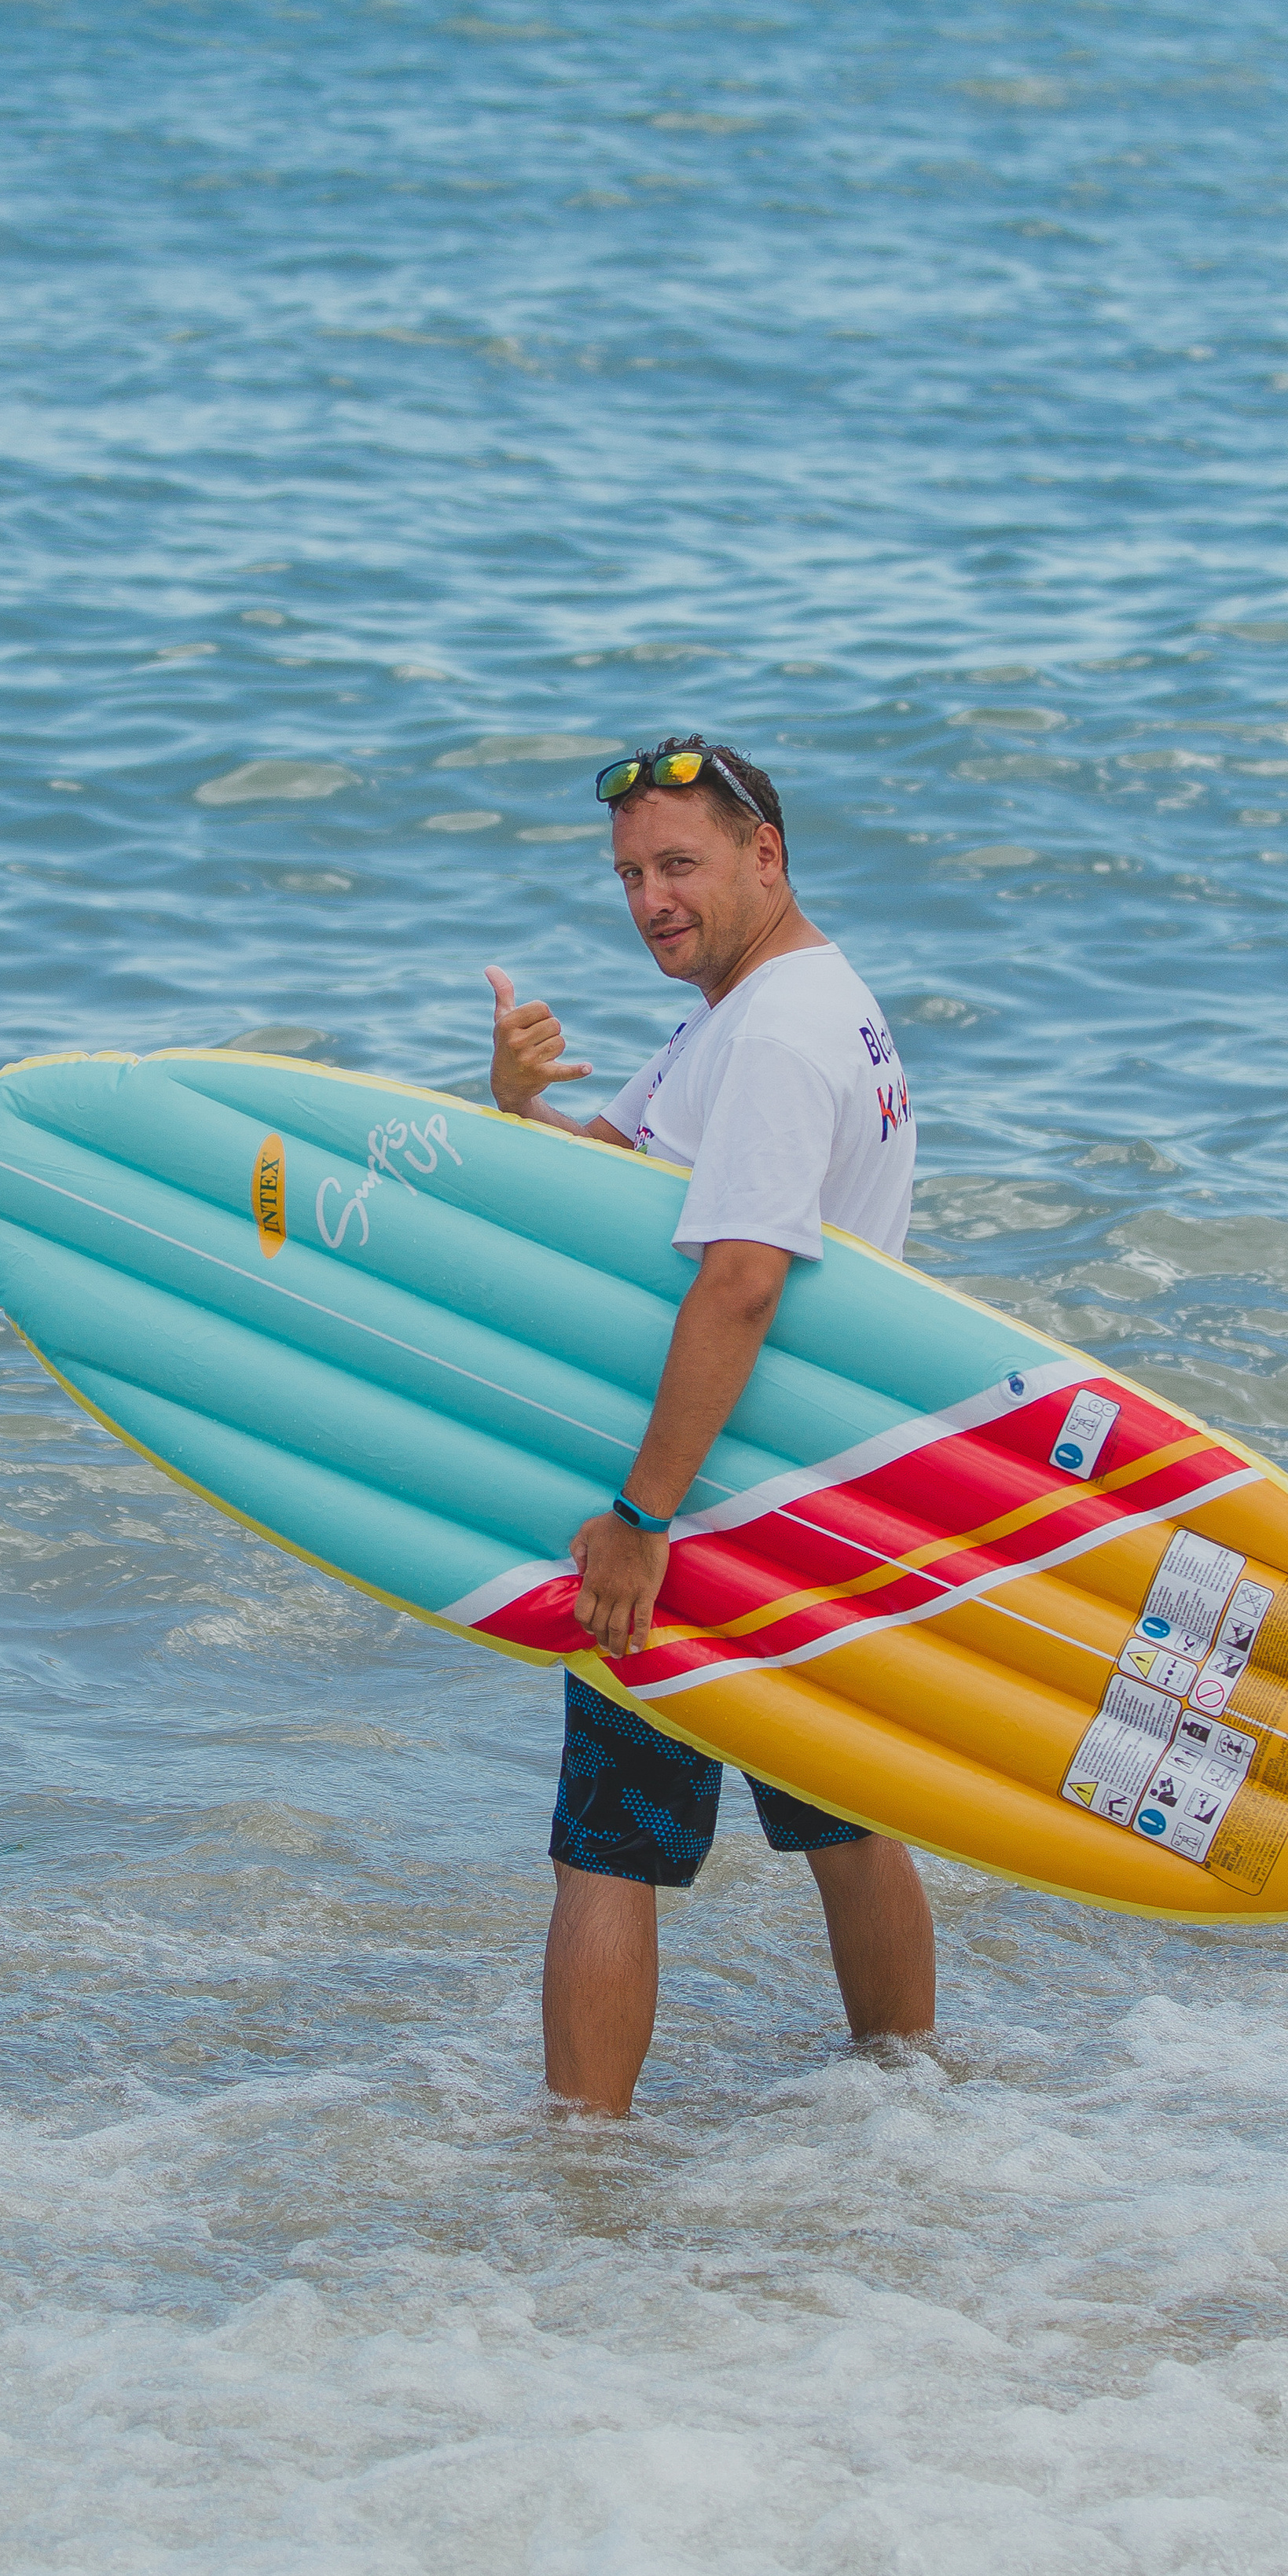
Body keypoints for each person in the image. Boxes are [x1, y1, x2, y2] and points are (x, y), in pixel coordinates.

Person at [485, 733, 936, 2115]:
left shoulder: (780, 1035)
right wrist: (518, 1108)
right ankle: (909, 2111)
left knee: (608, 1852)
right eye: (630, 875)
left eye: (678, 864)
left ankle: (583, 2180)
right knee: (843, 1818)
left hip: (708, 1506)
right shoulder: (763, 1010)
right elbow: (618, 1185)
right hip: (807, 1500)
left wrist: (639, 1519)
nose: (650, 899)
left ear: (766, 853)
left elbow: (740, 1279)